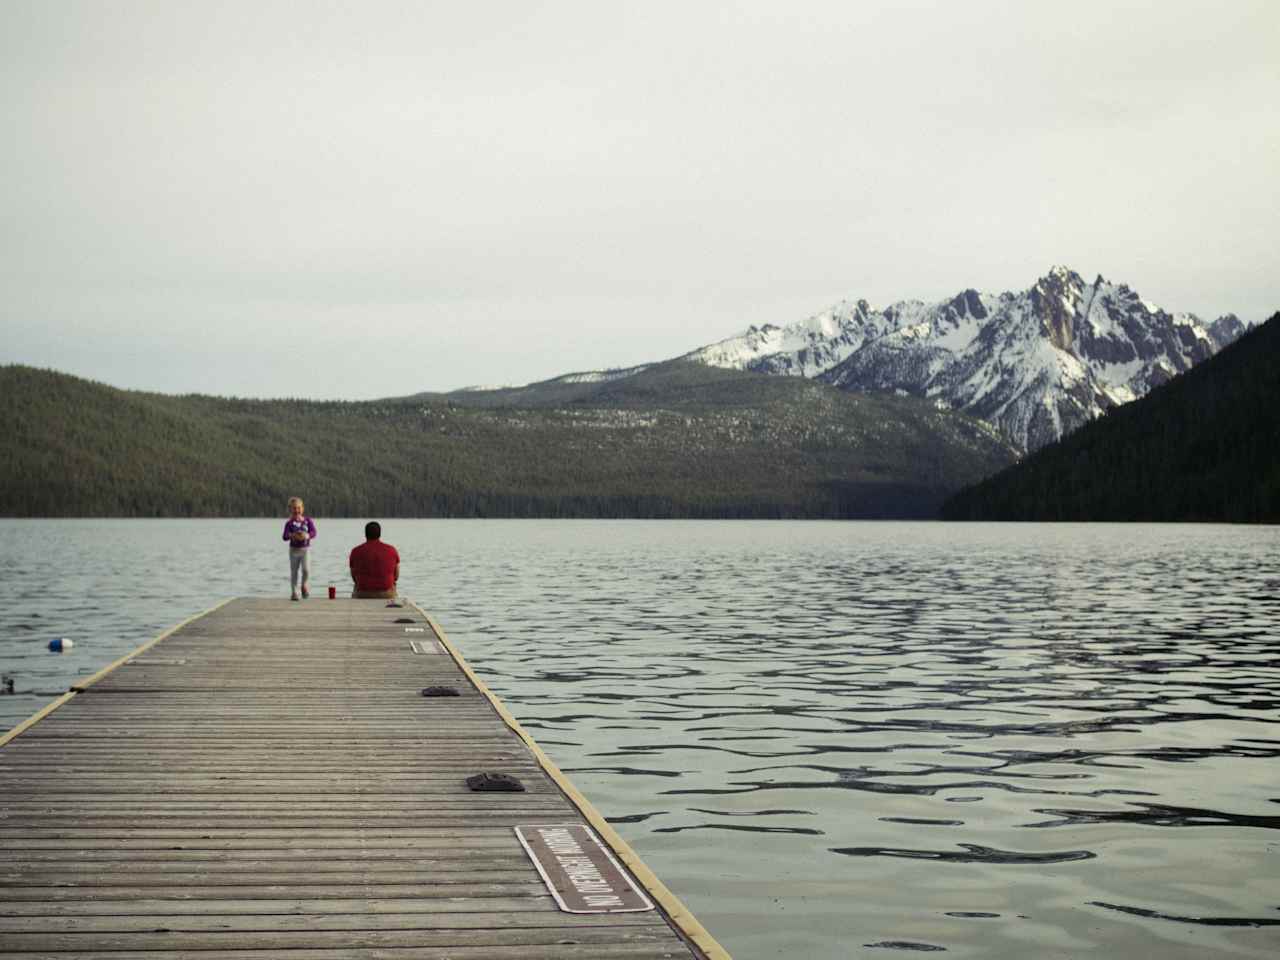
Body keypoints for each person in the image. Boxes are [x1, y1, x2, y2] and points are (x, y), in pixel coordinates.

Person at [349, 521, 400, 599]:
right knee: (393, 585)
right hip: (386, 594)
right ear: (380, 534)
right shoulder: (391, 550)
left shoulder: (356, 551)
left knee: (356, 586)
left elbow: (354, 577)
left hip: (362, 594)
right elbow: (396, 576)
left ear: (365, 534)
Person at [281, 496, 317, 601]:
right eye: (294, 508)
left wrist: (307, 535)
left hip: (305, 550)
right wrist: (292, 535)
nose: (297, 510)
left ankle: (304, 585)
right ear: (290, 509)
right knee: (294, 571)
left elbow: (314, 533)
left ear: (302, 508)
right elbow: (284, 536)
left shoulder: (308, 521)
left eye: (298, 508)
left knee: (306, 570)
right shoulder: (289, 523)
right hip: (294, 550)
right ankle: (294, 593)